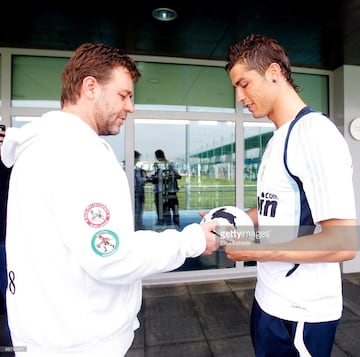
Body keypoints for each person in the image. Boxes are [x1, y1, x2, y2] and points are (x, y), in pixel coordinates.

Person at [0, 43, 219, 356]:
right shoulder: (75, 153)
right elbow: (110, 255)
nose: (130, 107)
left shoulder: (40, 148)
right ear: (90, 87)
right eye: (123, 95)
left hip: (49, 333)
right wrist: (193, 240)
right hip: (80, 344)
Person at [223, 34, 357, 357]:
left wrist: (258, 248)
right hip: (269, 299)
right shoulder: (277, 139)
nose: (239, 97)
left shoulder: (314, 134)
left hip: (300, 313)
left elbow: (343, 242)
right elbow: (276, 208)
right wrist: (235, 218)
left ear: (273, 72)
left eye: (244, 84)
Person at [0, 125, 13, 354]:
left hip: (5, 242)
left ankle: (15, 348)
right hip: (4, 241)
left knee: (12, 300)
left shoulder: (9, 163)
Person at [150, 149, 181, 228]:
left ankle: (166, 225)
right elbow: (178, 175)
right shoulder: (169, 164)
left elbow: (154, 178)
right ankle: (174, 225)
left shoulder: (160, 165)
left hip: (163, 191)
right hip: (169, 191)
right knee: (173, 209)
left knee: (164, 209)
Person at [134, 150, 148, 230]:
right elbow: (140, 181)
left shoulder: (136, 169)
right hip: (136, 194)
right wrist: (148, 179)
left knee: (139, 210)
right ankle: (137, 226)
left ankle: (138, 225)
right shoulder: (132, 169)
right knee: (137, 210)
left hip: (138, 193)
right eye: (138, 158)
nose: (138, 160)